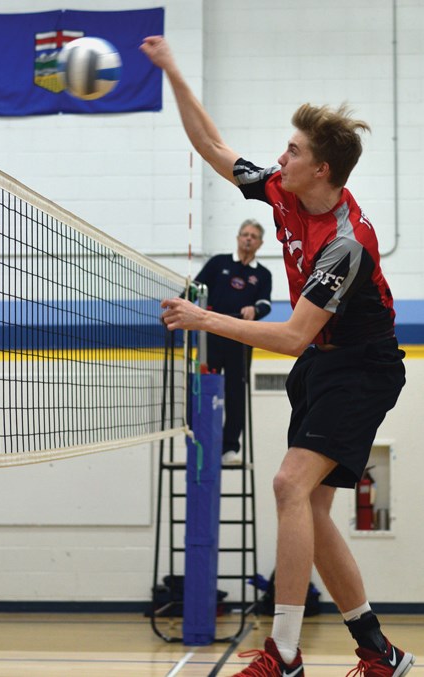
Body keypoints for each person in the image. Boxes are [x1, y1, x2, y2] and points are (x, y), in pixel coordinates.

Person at [140, 36, 415, 677]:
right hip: (320, 364)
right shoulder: (285, 192)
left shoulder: (345, 244)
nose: (280, 156)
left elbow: (290, 335)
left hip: (363, 366)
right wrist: (174, 71)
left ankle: (284, 655)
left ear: (321, 169)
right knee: (310, 512)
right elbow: (212, 148)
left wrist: (202, 317)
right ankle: (380, 653)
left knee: (290, 484)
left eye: (293, 150)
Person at [193, 218, 272, 464]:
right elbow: (195, 288)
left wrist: (254, 311)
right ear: (238, 238)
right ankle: (203, 441)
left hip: (241, 339)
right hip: (211, 337)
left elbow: (265, 304)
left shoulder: (263, 274)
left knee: (235, 393)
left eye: (253, 236)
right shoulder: (219, 263)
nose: (248, 238)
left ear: (260, 243)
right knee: (205, 388)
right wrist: (179, 304)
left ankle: (230, 448)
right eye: (245, 234)